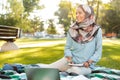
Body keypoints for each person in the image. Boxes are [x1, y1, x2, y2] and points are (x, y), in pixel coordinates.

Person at [47, 4, 102, 75]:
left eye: (80, 13)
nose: (77, 15)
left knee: (75, 71)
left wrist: (89, 62)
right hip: (70, 62)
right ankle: (66, 70)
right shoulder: (72, 29)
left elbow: (98, 51)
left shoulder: (97, 30)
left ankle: (67, 71)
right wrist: (69, 57)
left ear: (88, 14)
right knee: (48, 69)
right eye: (76, 13)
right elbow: (67, 47)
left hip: (86, 66)